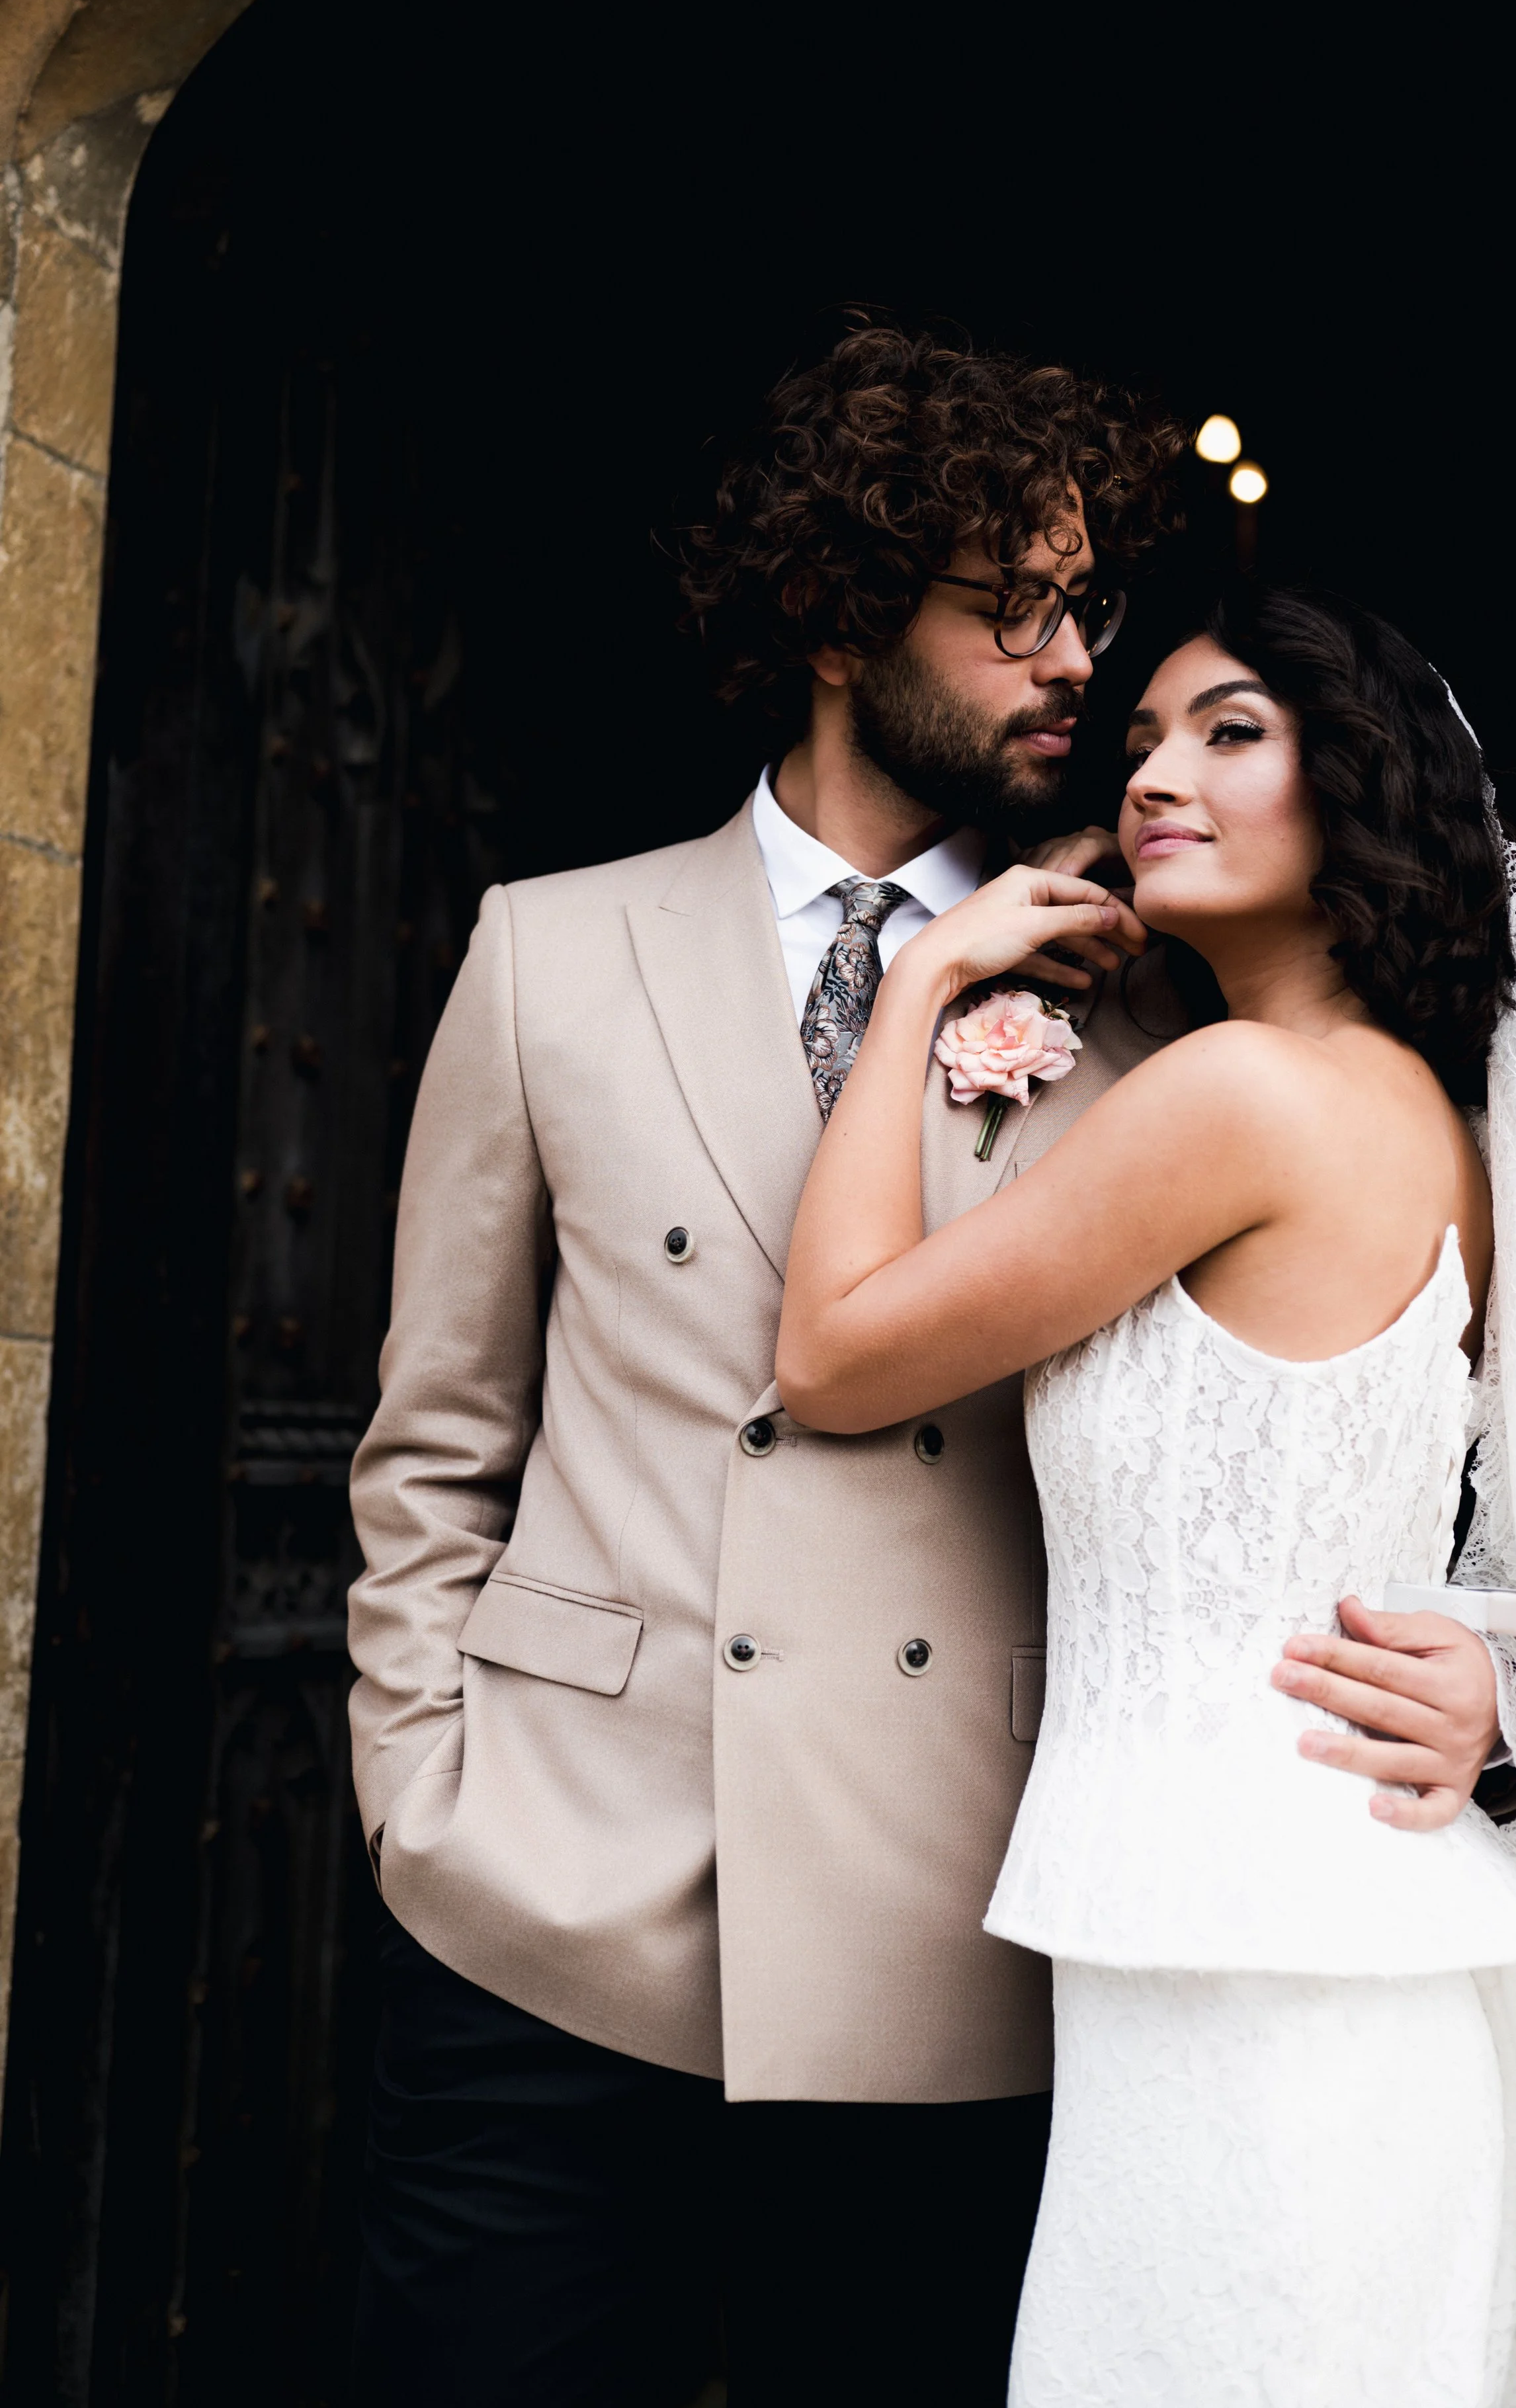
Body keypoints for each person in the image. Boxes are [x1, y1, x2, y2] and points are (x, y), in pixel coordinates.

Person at [345, 320, 1189, 2406]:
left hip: (952, 1932)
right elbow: (434, 1442)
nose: (1076, 657)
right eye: (1014, 606)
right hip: (544, 1910)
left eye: (1084, 602)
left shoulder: (1145, 1013)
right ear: (835, 613)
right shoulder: (546, 945)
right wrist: (418, 1795)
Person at [777, 581, 1516, 2405]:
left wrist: (924, 970)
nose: (1156, 771)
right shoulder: (1421, 1118)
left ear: (1357, 784)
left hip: (1250, 1988)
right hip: (1323, 1954)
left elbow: (835, 1355)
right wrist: (1499, 1667)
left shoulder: (1234, 1099)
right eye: (1147, 737)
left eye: (1229, 730)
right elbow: (1389, 1518)